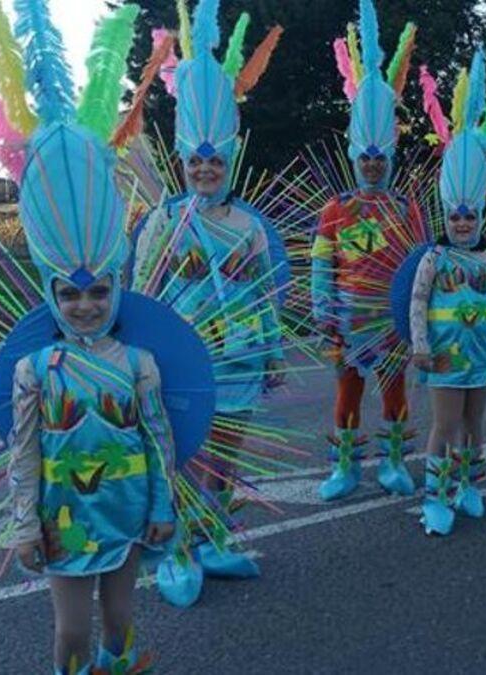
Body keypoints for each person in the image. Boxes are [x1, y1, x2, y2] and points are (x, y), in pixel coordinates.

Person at [0, 4, 185, 670]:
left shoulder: (140, 361)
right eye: (70, 292)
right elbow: (25, 449)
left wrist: (163, 506)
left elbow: (158, 436)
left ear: (115, 289)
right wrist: (24, 522)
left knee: (120, 621)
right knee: (69, 632)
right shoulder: (37, 369)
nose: (85, 305)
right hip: (62, 522)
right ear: (50, 294)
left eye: (97, 292)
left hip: (126, 515)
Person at [131, 0, 286, 604]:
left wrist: (271, 352)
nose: (204, 169)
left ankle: (215, 537)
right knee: (183, 453)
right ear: (182, 161)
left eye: (214, 160)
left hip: (242, 356)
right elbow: (142, 296)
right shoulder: (162, 224)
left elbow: (264, 295)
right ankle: (176, 553)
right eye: (195, 160)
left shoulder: (248, 226)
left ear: (228, 161)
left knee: (225, 454)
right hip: (182, 360)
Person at [312, 0, 425, 502]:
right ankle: (345, 466)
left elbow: (422, 267)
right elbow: (321, 265)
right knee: (347, 392)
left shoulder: (408, 208)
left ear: (390, 158)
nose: (374, 165)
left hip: (392, 320)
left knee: (395, 391)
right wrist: (323, 311)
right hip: (347, 319)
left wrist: (419, 320)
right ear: (355, 157)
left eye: (381, 158)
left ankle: (395, 461)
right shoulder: (334, 209)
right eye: (367, 158)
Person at [408, 48, 486, 535]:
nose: (461, 223)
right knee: (445, 426)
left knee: (473, 427)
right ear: (445, 218)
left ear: (479, 217)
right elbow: (417, 302)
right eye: (454, 216)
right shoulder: (433, 258)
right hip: (446, 357)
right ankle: (434, 497)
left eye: (469, 215)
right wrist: (421, 344)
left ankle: (466, 485)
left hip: (482, 355)